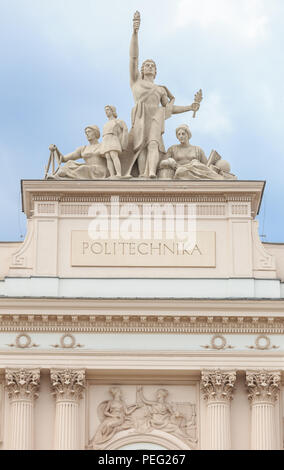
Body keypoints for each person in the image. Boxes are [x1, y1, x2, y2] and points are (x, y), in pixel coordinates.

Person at [128, 11, 200, 179]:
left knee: (153, 143)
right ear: (141, 69)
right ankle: (143, 175)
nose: (149, 66)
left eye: (152, 65)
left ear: (156, 71)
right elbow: (133, 57)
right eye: (146, 65)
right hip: (140, 116)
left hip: (155, 117)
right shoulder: (136, 82)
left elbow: (169, 108)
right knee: (141, 147)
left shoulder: (160, 89)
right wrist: (135, 33)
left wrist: (190, 107)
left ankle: (152, 172)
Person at [100, 105, 128, 178]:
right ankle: (112, 174)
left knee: (113, 155)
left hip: (113, 138)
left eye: (108, 110)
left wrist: (123, 141)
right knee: (108, 156)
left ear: (112, 111)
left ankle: (119, 173)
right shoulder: (105, 124)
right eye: (105, 110)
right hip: (106, 139)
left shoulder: (118, 121)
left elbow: (125, 129)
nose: (106, 112)